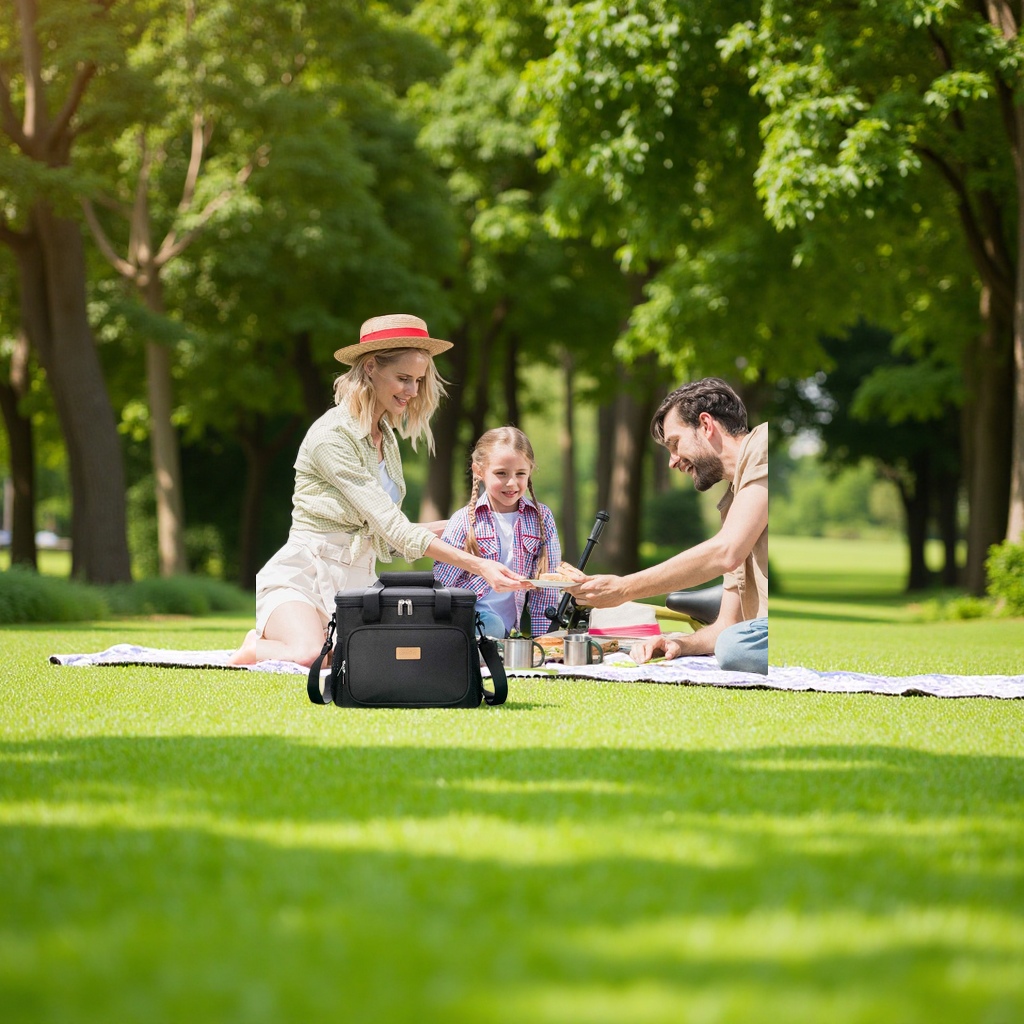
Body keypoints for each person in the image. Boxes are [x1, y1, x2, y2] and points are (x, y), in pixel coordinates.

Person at [228, 313, 529, 667]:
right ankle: (253, 648)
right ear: (371, 366)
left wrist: (461, 524)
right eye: (403, 378)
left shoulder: (385, 437)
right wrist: (479, 565)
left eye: (418, 380)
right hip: (302, 576)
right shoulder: (331, 437)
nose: (413, 391)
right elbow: (392, 524)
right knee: (309, 655)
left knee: (370, 658)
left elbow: (386, 540)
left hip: (355, 583)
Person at [569, 377, 768, 673]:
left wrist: (624, 588)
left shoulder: (762, 445)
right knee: (731, 642)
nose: (672, 461)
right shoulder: (733, 501)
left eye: (675, 444)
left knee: (734, 647)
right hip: (754, 628)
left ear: (706, 425)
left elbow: (726, 551)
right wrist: (679, 643)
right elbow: (727, 624)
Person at [433, 426, 562, 637]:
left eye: (520, 473)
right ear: (479, 471)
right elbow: (441, 587)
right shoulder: (464, 520)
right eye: (501, 473)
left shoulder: (541, 518)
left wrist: (544, 644)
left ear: (530, 471)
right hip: (467, 625)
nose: (511, 483)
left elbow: (546, 593)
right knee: (491, 624)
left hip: (507, 632)